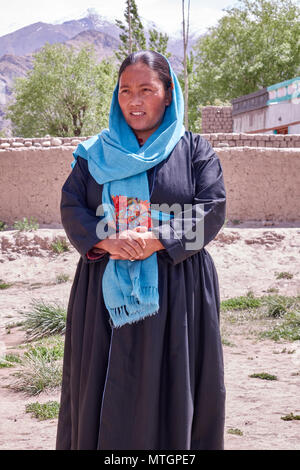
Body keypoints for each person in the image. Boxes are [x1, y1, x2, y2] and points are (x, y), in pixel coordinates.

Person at [56, 50, 226, 450]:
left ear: (168, 94)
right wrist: (105, 239)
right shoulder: (92, 154)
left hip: (177, 285)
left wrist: (156, 240)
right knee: (102, 379)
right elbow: (72, 206)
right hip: (105, 282)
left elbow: (212, 208)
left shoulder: (195, 150)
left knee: (174, 380)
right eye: (125, 90)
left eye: (146, 90)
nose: (134, 100)